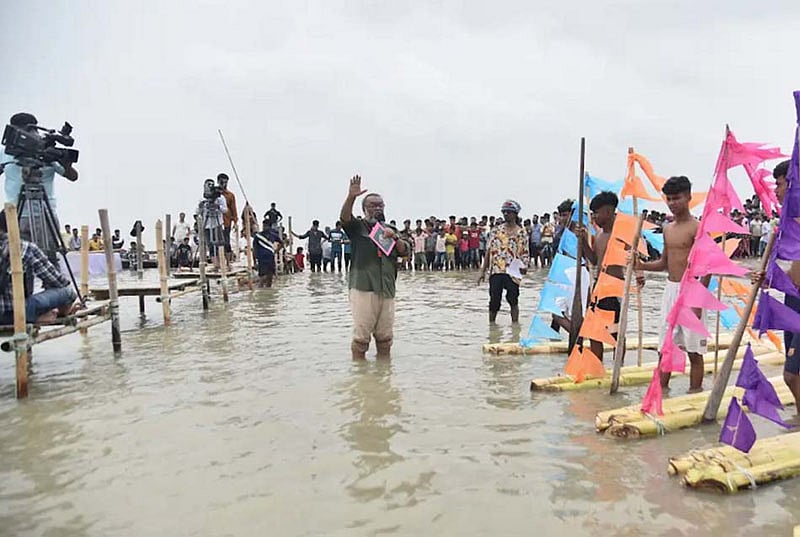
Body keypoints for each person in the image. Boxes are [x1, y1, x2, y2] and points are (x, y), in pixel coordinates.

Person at [635, 176, 707, 392]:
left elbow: (706, 268)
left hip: (692, 291)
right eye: (669, 199)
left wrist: (699, 302)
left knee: (694, 350)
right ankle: (661, 392)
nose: (673, 203)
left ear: (688, 198)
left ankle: (695, 392)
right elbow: (665, 263)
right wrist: (641, 266)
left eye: (677, 198)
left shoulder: (698, 228)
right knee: (665, 346)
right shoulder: (667, 228)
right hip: (671, 290)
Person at [340, 175, 409, 360]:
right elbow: (344, 218)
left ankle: (383, 375)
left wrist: (394, 237)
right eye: (373, 205)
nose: (377, 208)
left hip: (387, 289)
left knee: (385, 339)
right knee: (361, 340)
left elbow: (405, 251)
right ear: (364, 209)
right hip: (363, 287)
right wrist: (351, 197)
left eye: (380, 205)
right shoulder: (358, 227)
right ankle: (361, 376)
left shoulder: (391, 229)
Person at [753, 160, 800, 413]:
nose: (776, 191)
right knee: (794, 375)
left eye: (780, 185)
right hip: (791, 303)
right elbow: (787, 270)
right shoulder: (784, 226)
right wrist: (765, 279)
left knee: (791, 376)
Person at [0, 209, 77, 324]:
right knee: (67, 291)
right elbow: (58, 281)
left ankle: (42, 315)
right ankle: (44, 315)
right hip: (16, 314)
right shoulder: (25, 247)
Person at [0, 112, 79, 222]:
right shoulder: (4, 153)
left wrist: (66, 162)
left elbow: (73, 176)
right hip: (15, 213)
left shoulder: (45, 149)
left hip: (45, 214)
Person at [578, 191, 625, 360]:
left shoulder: (620, 235)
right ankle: (597, 366)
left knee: (614, 333)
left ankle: (617, 367)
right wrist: (583, 241)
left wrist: (640, 274)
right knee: (593, 331)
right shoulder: (599, 234)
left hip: (615, 287)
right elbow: (594, 260)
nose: (593, 217)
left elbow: (634, 258)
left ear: (607, 211)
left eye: (596, 213)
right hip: (599, 286)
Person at [478, 200, 529, 323]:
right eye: (504, 212)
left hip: (513, 272)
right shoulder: (496, 231)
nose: (506, 214)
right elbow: (488, 252)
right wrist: (482, 271)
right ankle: (492, 326)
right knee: (494, 300)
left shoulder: (521, 232)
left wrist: (525, 267)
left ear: (515, 214)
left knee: (513, 300)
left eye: (509, 212)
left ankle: (515, 326)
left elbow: (525, 253)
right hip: (496, 270)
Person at [197, 179, 227, 270]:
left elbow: (225, 210)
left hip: (217, 223)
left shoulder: (220, 198)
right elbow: (197, 212)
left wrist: (217, 206)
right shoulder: (202, 199)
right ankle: (215, 264)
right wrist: (201, 207)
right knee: (210, 244)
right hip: (207, 224)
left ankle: (222, 263)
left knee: (219, 243)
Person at [217, 173, 238, 265]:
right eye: (222, 182)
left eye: (226, 182)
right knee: (216, 242)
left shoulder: (230, 195)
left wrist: (235, 222)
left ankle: (228, 262)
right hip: (215, 221)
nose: (224, 184)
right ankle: (218, 262)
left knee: (226, 241)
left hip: (226, 221)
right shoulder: (215, 193)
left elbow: (234, 209)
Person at [254, 223, 280, 287]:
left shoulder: (273, 235)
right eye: (264, 226)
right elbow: (254, 249)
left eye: (266, 226)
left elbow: (281, 242)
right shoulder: (258, 236)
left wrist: (276, 250)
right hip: (261, 258)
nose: (265, 228)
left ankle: (268, 290)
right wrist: (255, 261)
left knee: (270, 276)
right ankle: (260, 290)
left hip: (270, 258)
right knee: (263, 276)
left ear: (270, 227)